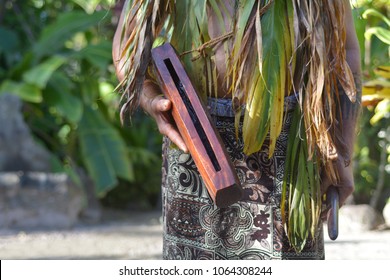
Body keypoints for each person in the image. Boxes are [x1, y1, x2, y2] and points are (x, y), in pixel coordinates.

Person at [113, 0, 361, 259]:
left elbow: (345, 52)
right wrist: (151, 99)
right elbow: (127, 47)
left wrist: (342, 153)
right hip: (196, 141)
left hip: (290, 147)